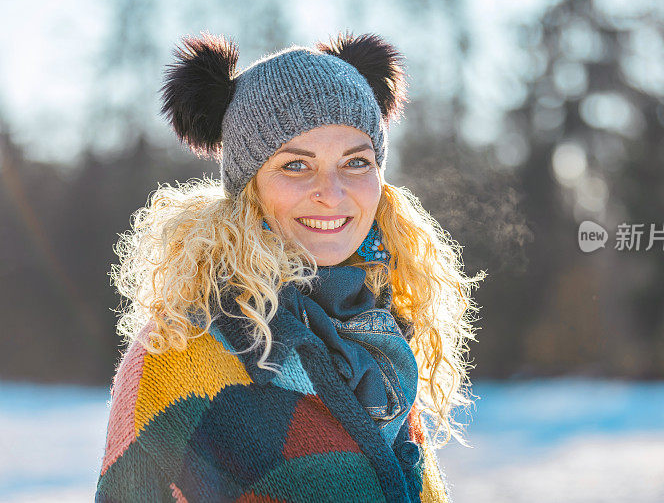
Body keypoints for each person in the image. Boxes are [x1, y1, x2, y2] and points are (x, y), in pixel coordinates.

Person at [95, 30, 484, 502]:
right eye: (296, 166)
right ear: (248, 186)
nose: (333, 192)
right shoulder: (180, 352)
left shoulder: (378, 341)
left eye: (356, 163)